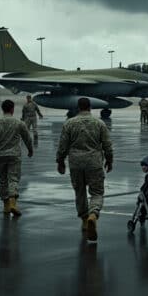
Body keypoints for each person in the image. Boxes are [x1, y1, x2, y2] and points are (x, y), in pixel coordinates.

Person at [56, 97, 114, 241]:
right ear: (90, 107)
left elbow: (62, 145)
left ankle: (84, 220)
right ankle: (93, 215)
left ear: (78, 107)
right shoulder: (99, 123)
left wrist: (60, 161)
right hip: (94, 162)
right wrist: (109, 160)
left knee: (79, 191)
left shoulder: (69, 124)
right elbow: (107, 144)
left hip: (75, 163)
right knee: (97, 192)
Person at [0, 99, 34, 217]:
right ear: (12, 109)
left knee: (2, 180)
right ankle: (13, 202)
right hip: (14, 156)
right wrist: (30, 150)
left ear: (2, 109)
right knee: (13, 179)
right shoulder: (19, 123)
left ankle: (6, 206)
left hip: (0, 156)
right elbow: (27, 137)